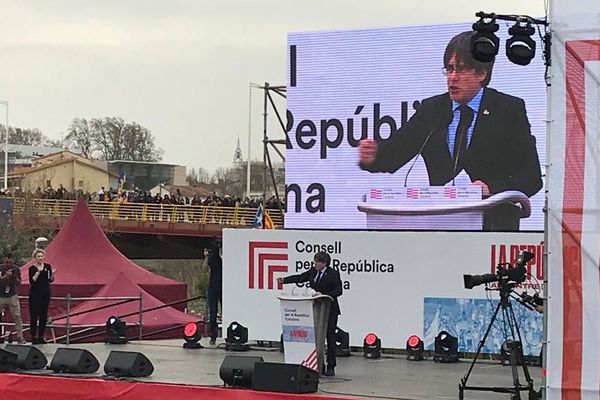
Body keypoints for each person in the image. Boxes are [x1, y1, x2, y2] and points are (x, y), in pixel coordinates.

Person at [358, 31, 543, 231]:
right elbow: (396, 152)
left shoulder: (507, 109)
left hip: (492, 228)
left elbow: (531, 176)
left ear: (481, 73)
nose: (453, 78)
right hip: (441, 227)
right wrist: (374, 155)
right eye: (449, 69)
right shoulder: (432, 110)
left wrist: (492, 189)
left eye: (461, 69)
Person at [277, 251, 343, 377]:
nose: (315, 264)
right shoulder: (313, 272)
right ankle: (319, 364)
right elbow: (300, 277)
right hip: (316, 309)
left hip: (329, 309)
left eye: (317, 262)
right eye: (314, 261)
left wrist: (323, 293)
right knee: (317, 338)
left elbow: (338, 290)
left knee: (330, 337)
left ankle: (331, 366)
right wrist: (284, 280)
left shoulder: (333, 274)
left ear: (324, 263)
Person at [28, 249, 54, 344]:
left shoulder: (48, 266)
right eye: (38, 256)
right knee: (34, 316)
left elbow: (49, 279)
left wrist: (52, 277)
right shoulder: (32, 268)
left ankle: (41, 336)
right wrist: (38, 272)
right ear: (35, 258)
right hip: (35, 294)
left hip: (45, 293)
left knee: (43, 316)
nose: (40, 258)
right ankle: (33, 336)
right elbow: (32, 281)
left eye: (41, 256)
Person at [0, 254, 25, 344]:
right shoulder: (1, 268)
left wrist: (13, 276)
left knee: (17, 316)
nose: (8, 264)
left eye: (10, 263)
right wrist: (5, 276)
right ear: (4, 260)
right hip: (1, 295)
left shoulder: (16, 269)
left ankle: (20, 337)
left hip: (12, 295)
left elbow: (19, 283)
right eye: (7, 262)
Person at [202, 246, 222, 345]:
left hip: (224, 287)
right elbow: (205, 269)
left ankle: (229, 335)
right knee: (212, 313)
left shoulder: (225, 258)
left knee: (226, 311)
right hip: (213, 287)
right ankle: (213, 336)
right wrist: (206, 257)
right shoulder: (213, 257)